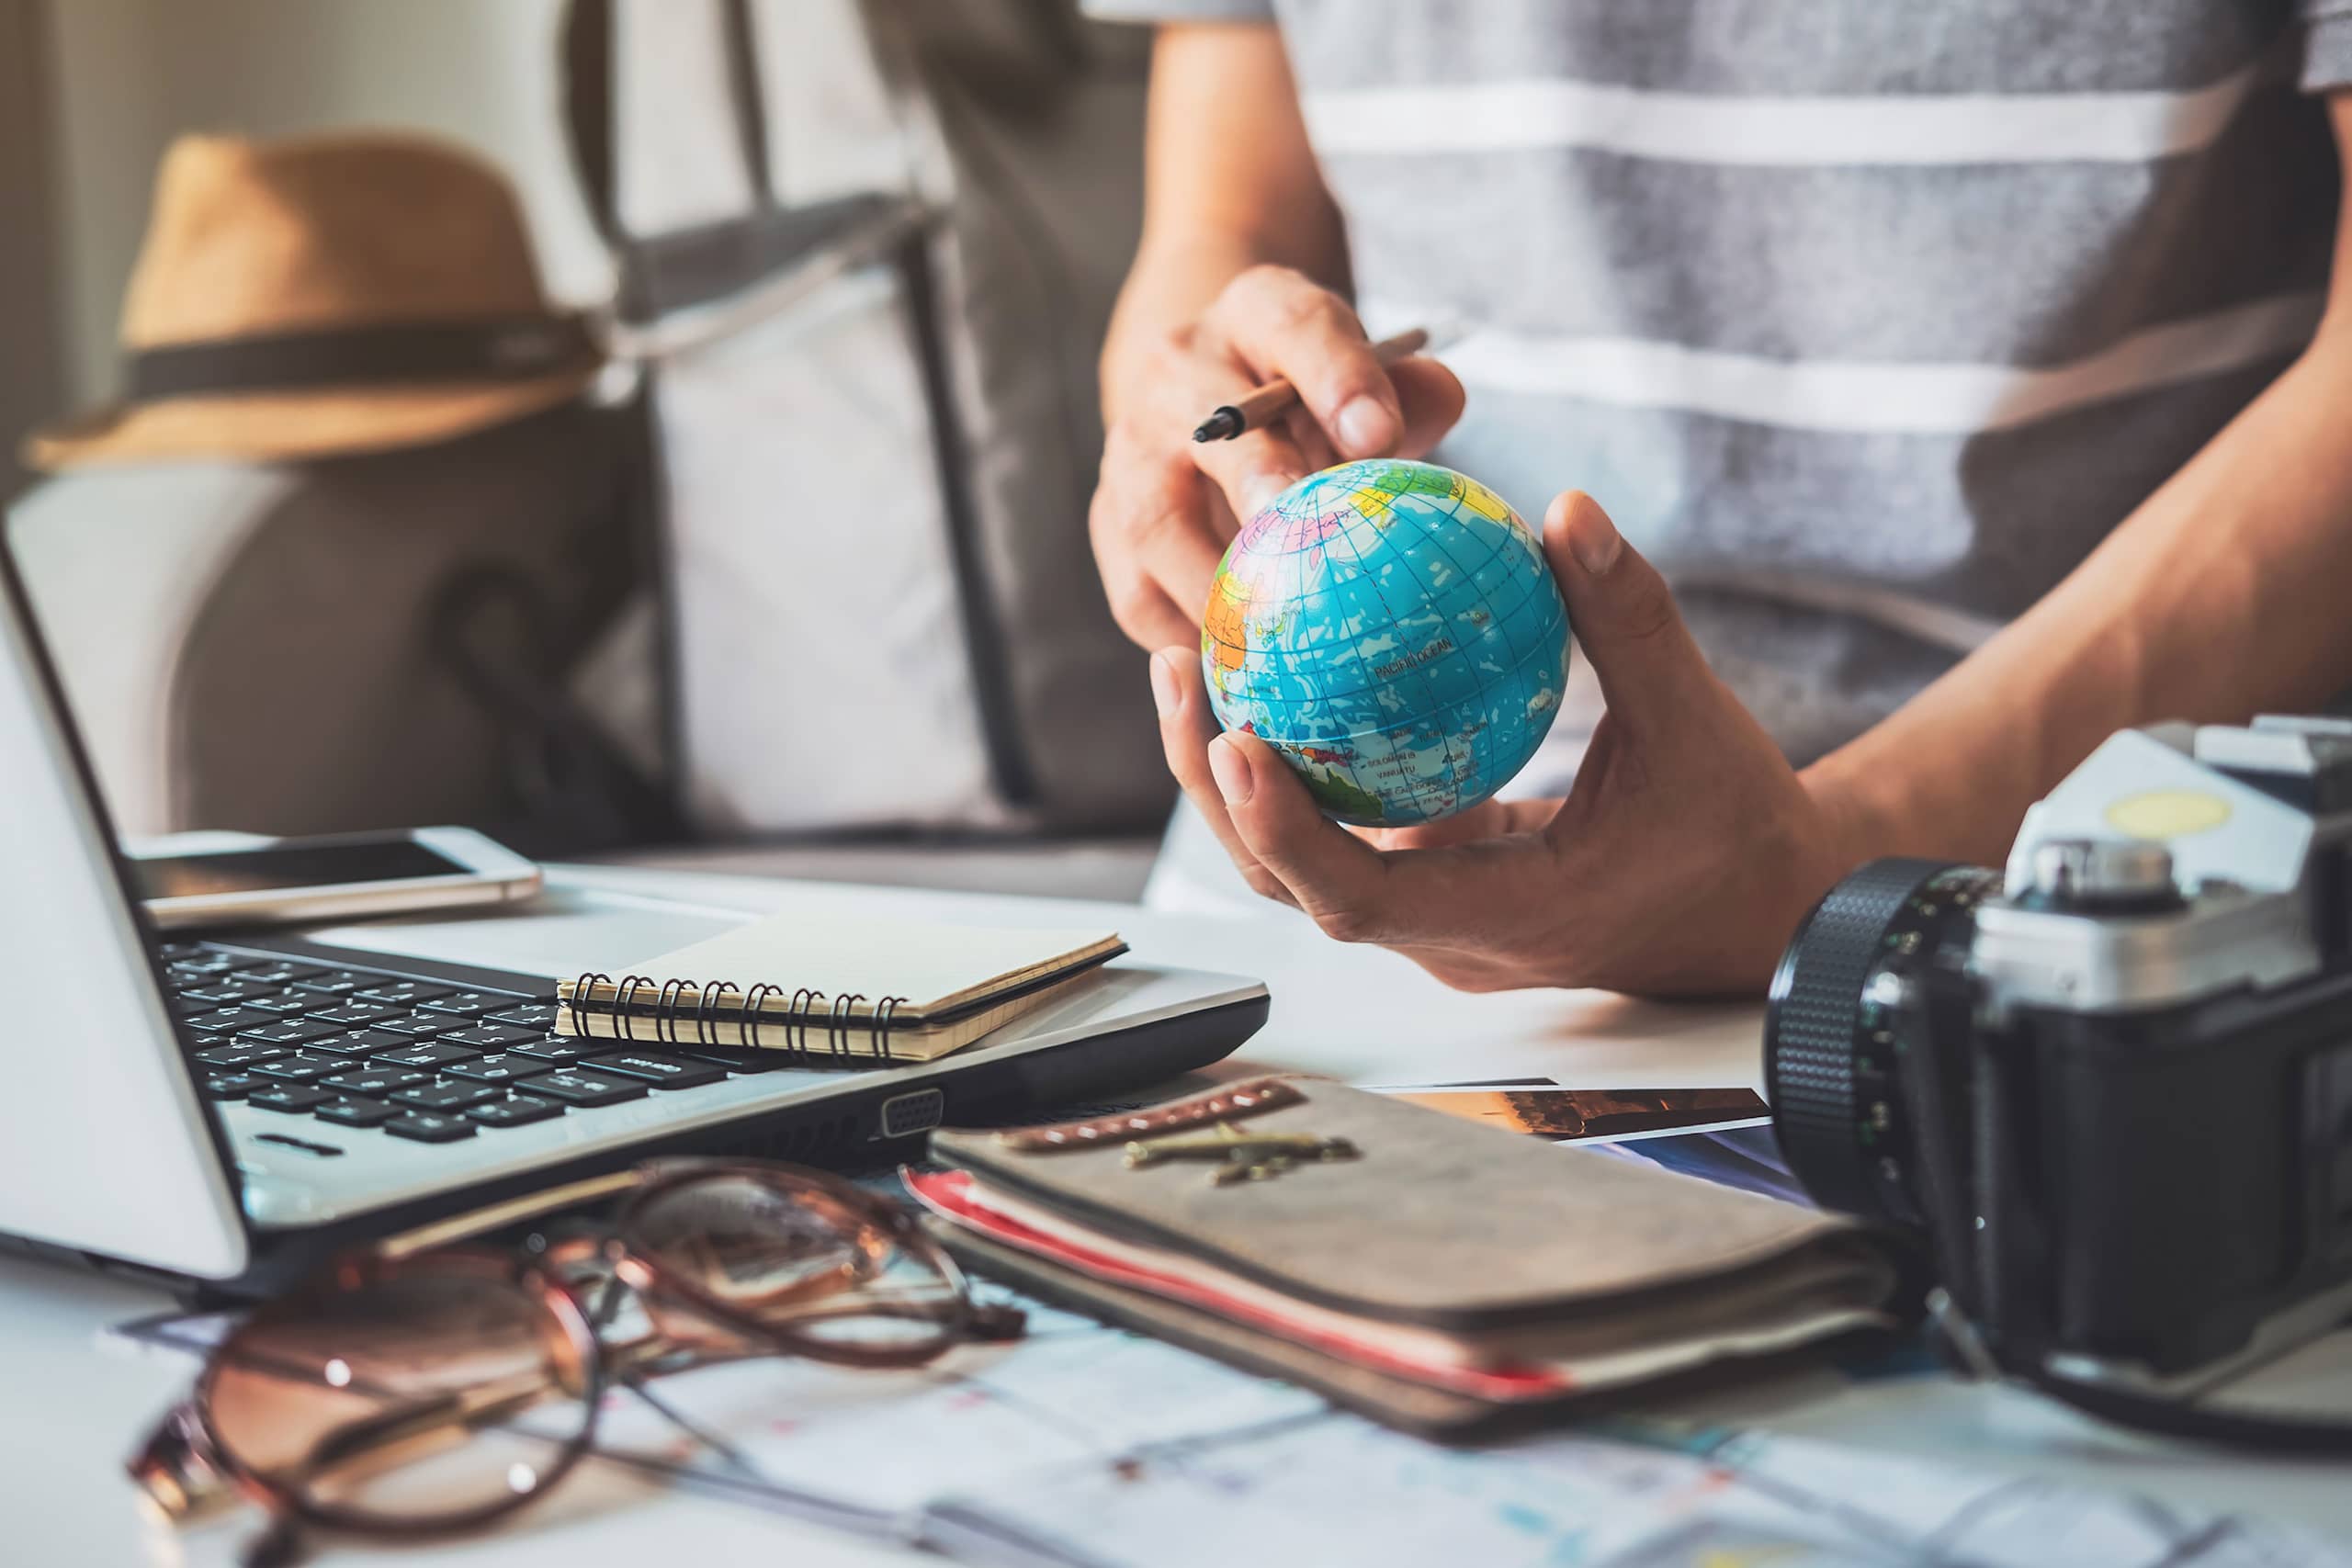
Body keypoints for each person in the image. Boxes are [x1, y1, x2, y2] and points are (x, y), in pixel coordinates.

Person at [1081, 2, 2352, 996]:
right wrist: (1176, 409)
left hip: (2065, 896)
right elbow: (1219, 226)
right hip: (1314, 892)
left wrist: (1831, 850)